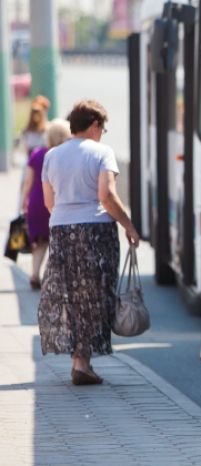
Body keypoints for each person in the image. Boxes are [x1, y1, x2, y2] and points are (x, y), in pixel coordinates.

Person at [38, 100, 140, 386]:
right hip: (96, 232)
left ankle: (79, 362)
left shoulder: (52, 156)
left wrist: (68, 219)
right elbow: (106, 196)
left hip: (61, 230)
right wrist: (128, 225)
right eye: (103, 128)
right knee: (95, 295)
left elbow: (49, 202)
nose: (103, 133)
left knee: (70, 294)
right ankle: (83, 363)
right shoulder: (102, 152)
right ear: (95, 125)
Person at [20, 119, 71, 290]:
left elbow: (28, 181)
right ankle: (50, 276)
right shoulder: (64, 155)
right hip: (58, 200)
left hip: (36, 201)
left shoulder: (37, 154)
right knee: (55, 239)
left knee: (40, 241)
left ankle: (34, 274)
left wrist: (23, 201)